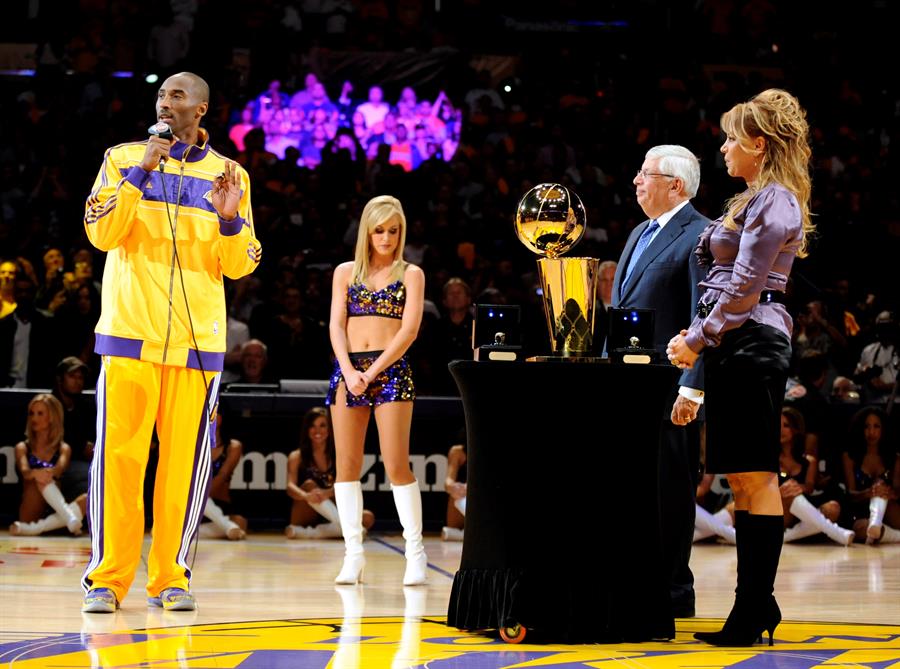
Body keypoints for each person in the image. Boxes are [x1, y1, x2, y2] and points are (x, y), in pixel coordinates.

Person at [80, 72, 262, 614]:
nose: (165, 102)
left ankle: (170, 578)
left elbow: (241, 264)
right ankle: (107, 580)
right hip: (129, 335)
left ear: (201, 108)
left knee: (183, 467)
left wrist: (228, 219)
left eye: (177, 95)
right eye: (162, 94)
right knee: (118, 462)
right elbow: (101, 234)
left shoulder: (230, 175)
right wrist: (142, 171)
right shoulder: (121, 159)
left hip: (196, 344)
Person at [667, 89, 816, 645]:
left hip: (753, 340)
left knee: (755, 475)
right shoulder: (751, 198)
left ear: (759, 145)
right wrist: (700, 336)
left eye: (733, 138)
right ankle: (757, 604)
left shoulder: (776, 200)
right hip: (735, 341)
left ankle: (751, 608)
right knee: (741, 476)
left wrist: (696, 338)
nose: (724, 148)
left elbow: (747, 286)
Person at [611, 144, 709, 618]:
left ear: (676, 185)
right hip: (627, 391)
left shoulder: (702, 234)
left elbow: (703, 318)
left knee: (670, 492)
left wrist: (692, 387)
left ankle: (674, 592)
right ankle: (636, 583)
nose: (636, 180)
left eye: (645, 173)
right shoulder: (638, 232)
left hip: (671, 391)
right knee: (632, 493)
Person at [326, 195, 426, 585]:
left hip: (391, 371)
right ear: (367, 232)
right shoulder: (345, 272)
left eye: (393, 231)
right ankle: (353, 554)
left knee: (396, 464)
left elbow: (409, 331)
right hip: (349, 371)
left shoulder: (411, 274)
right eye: (379, 230)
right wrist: (350, 370)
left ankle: (415, 552)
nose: (386, 238)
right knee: (346, 467)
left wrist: (372, 371)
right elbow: (336, 326)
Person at [285, 406, 375, 539]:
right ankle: (348, 529)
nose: (317, 430)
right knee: (310, 485)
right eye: (312, 426)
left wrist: (327, 493)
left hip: (332, 509)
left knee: (367, 517)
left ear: (329, 429)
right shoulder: (296, 456)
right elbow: (290, 487)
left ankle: (307, 533)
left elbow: (348, 483)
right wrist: (306, 496)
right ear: (307, 429)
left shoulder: (338, 455)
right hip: (306, 509)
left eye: (322, 425)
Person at [10, 394, 85, 536]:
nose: (34, 418)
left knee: (89, 498)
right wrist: (37, 473)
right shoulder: (22, 447)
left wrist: (46, 473)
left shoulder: (63, 448)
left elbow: (58, 470)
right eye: (31, 413)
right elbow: (25, 472)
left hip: (56, 508)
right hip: (31, 510)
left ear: (52, 417)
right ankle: (69, 517)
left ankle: (37, 528)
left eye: (40, 414)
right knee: (40, 478)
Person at [778, 407, 852, 544]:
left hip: (803, 510)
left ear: (795, 429)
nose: (780, 430)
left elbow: (809, 487)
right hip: (779, 510)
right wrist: (781, 491)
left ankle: (787, 536)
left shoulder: (809, 460)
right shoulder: (768, 459)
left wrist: (798, 487)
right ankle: (837, 533)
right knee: (789, 491)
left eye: (786, 425)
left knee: (833, 508)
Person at [841, 407, 900, 544]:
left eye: (876, 426)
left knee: (881, 488)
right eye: (866, 427)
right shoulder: (850, 457)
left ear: (884, 429)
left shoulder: (894, 458)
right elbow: (850, 494)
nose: (871, 432)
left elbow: (898, 491)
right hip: (860, 509)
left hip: (887, 508)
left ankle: (877, 524)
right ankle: (879, 527)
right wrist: (869, 493)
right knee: (863, 529)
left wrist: (889, 493)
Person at [200, 414, 247, 540]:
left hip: (218, 502)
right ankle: (227, 526)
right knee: (195, 493)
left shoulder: (233, 446)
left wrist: (203, 495)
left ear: (220, 418)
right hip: (196, 504)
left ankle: (188, 532)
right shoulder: (195, 444)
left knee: (240, 522)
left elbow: (223, 475)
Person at [441, 442, 466, 541]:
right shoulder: (457, 451)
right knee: (456, 495)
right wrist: (453, 487)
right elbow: (448, 481)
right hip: (464, 500)